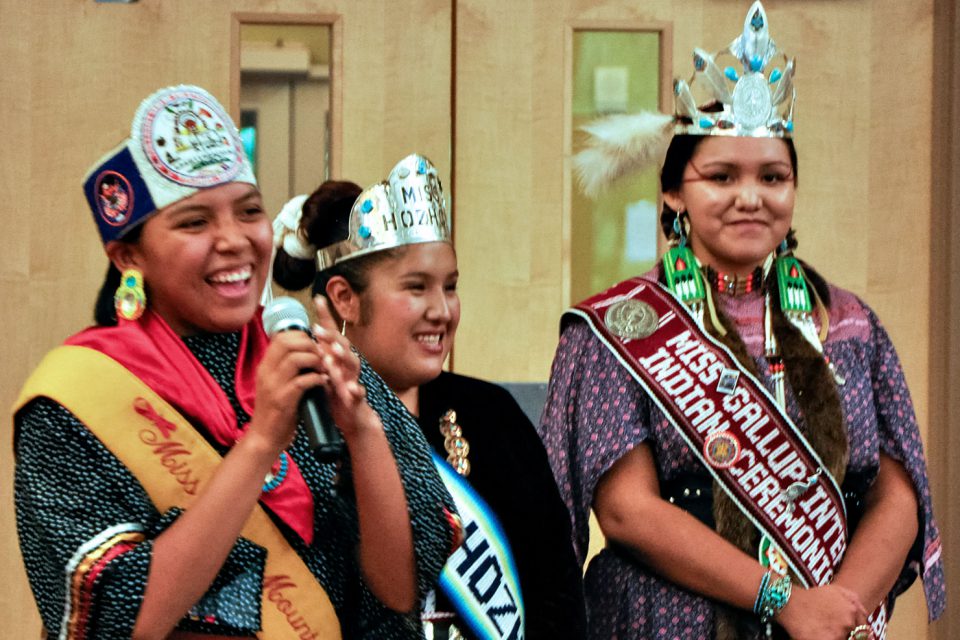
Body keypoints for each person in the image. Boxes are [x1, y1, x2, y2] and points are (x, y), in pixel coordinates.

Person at [538, 3, 946, 640]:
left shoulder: (848, 323)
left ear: (793, 189)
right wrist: (785, 601)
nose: (750, 197)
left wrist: (839, 608)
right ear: (675, 193)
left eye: (773, 177)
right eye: (721, 177)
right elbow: (626, 511)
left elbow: (895, 489)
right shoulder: (617, 328)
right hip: (666, 621)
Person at [13, 85, 460, 640]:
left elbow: (401, 590)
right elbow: (117, 620)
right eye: (195, 223)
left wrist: (363, 428)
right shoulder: (74, 402)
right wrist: (260, 443)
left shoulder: (308, 354)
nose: (234, 241)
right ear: (129, 255)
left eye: (249, 212)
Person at [269, 155, 587, 640]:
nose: (442, 311)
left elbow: (555, 589)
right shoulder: (304, 424)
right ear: (343, 298)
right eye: (416, 288)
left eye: (451, 287)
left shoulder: (493, 416)